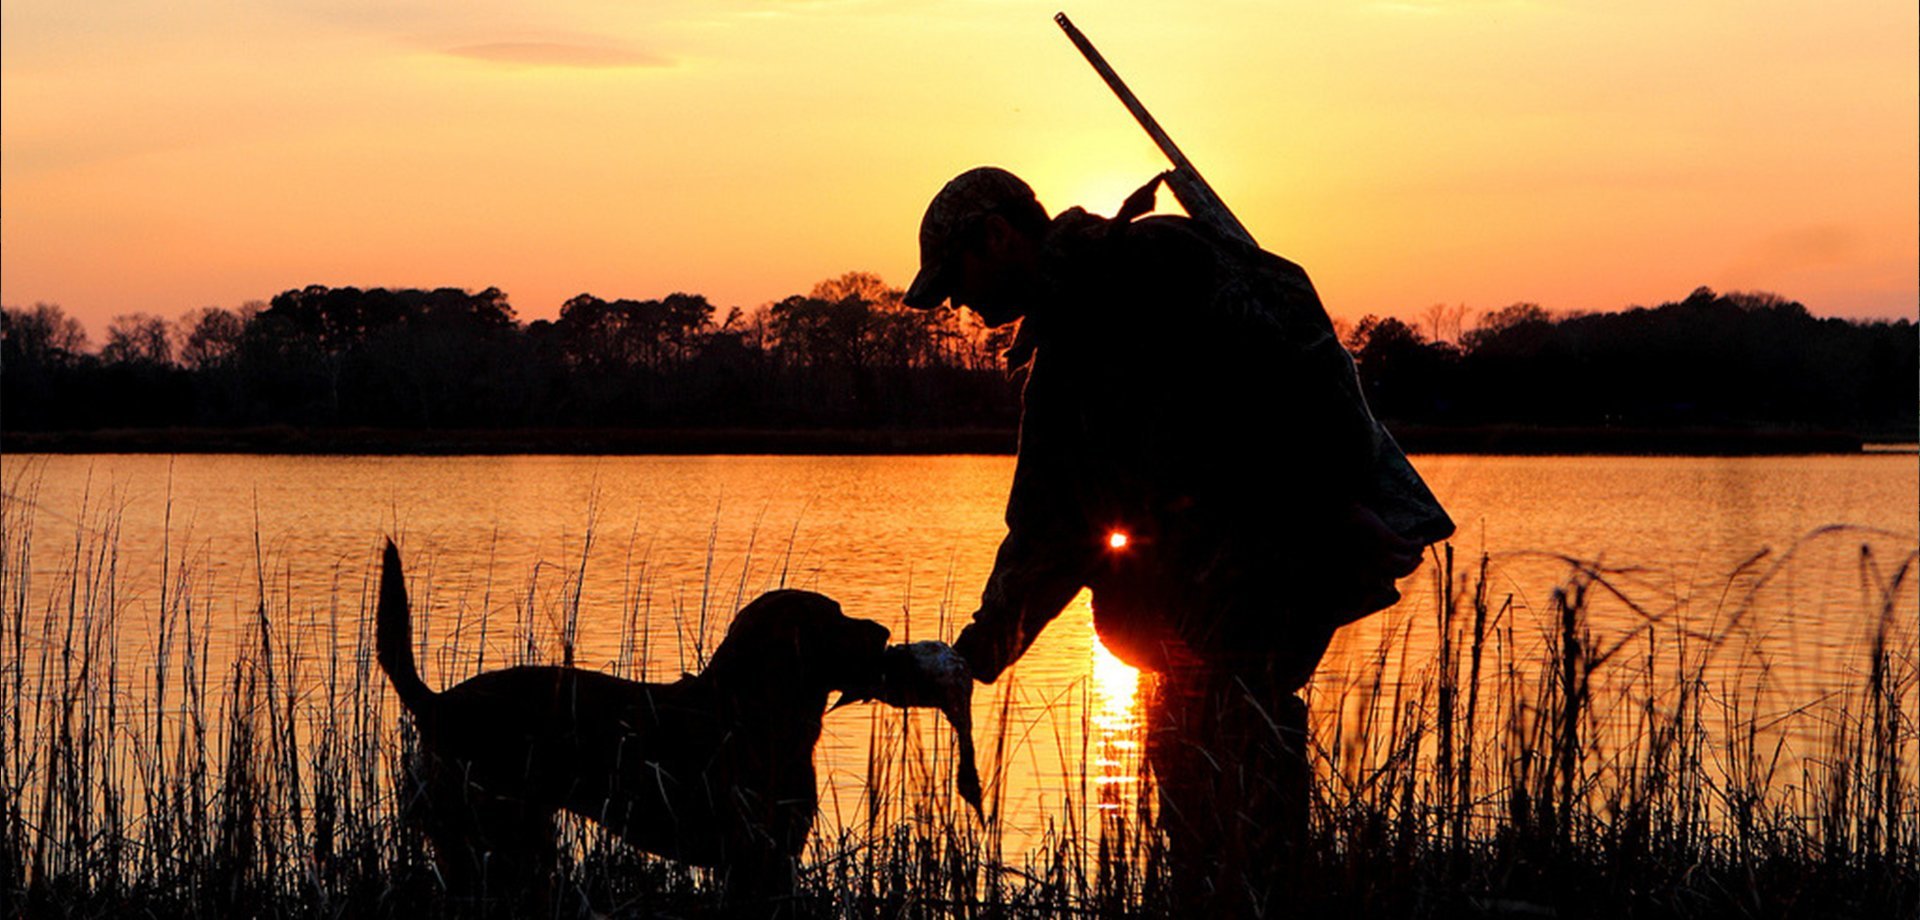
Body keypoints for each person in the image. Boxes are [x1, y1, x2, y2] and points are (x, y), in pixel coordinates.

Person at [902, 166, 1454, 913]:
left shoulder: (1153, 264)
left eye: (957, 278)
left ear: (997, 235)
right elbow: (1050, 535)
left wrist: (1331, 506)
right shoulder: (1067, 349)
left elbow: (1262, 392)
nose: (960, 303)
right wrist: (975, 657)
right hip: (1184, 652)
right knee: (1205, 856)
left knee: (1250, 843)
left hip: (1247, 618)